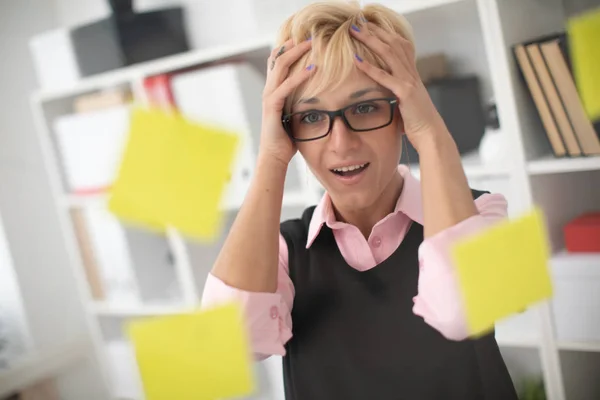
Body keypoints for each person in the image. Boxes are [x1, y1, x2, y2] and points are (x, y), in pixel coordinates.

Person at [202, 1, 518, 399]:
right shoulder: (284, 251)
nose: (342, 143)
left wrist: (431, 132)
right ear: (290, 129)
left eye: (365, 107)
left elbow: (462, 315)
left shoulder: (486, 212)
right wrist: (270, 158)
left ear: (403, 110)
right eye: (312, 117)